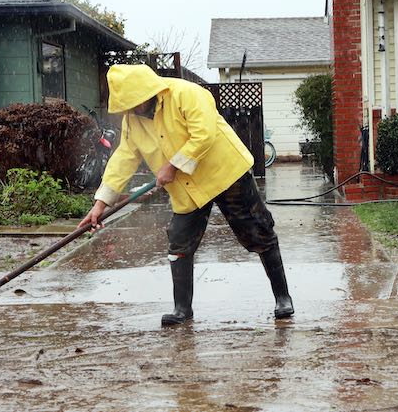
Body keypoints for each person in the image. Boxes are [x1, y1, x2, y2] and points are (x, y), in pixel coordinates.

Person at [78, 64, 294, 326]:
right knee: (179, 244)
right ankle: (182, 310)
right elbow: (123, 158)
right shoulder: (132, 122)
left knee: (259, 231)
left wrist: (172, 165)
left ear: (148, 92)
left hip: (225, 173)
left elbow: (204, 134)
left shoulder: (186, 94)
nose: (132, 110)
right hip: (186, 189)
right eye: (128, 106)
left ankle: (283, 298)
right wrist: (100, 203)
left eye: (135, 103)